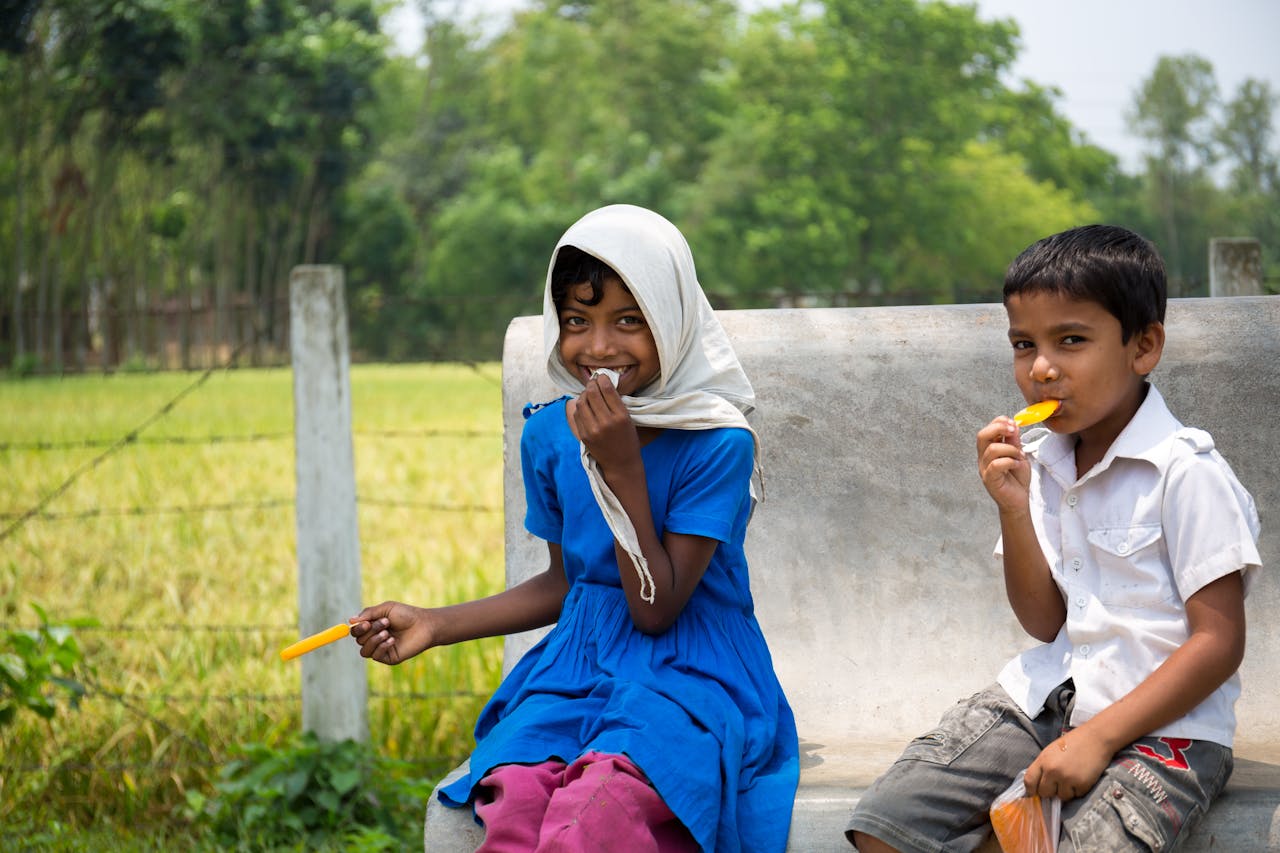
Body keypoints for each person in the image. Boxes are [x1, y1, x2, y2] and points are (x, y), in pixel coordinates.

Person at [350, 203, 799, 852]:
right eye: (576, 321)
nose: (598, 347)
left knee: (604, 804)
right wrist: (434, 622)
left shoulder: (718, 442)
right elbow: (569, 582)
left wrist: (620, 470)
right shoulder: (550, 433)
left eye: (628, 320)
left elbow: (656, 608)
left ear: (672, 320)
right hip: (579, 661)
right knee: (519, 796)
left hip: (690, 666)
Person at [845, 225, 1262, 852]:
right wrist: (1013, 508)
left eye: (1071, 340)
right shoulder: (1040, 465)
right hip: (1047, 698)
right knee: (884, 823)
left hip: (1169, 730)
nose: (1041, 368)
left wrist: (1096, 739)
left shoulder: (1186, 472)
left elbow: (1219, 641)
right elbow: (1045, 624)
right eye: (1023, 344)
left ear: (1143, 346)